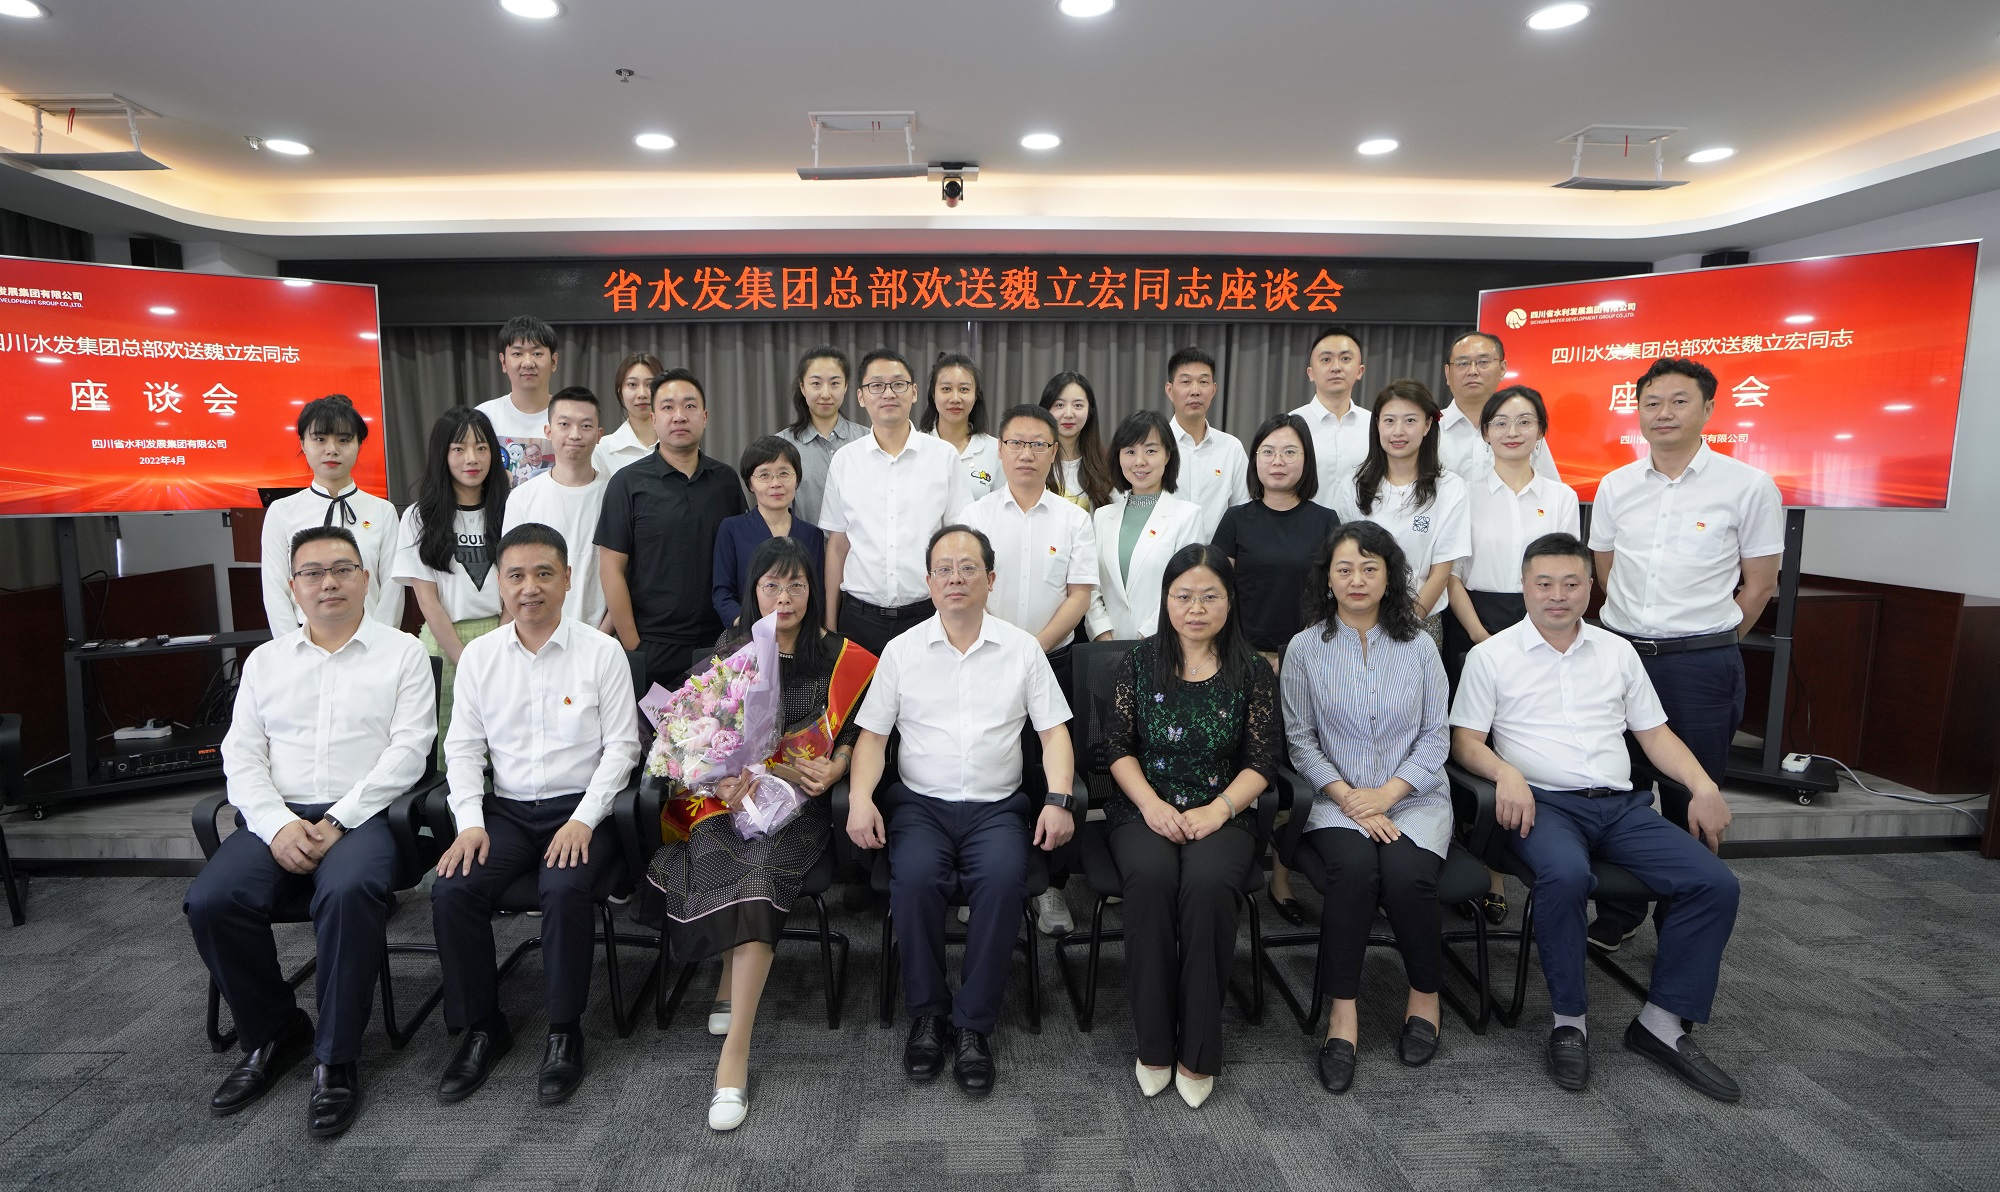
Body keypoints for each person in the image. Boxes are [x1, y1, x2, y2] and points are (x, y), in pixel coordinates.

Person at [1450, 532, 1744, 1102]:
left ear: (1590, 587)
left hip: (1621, 807)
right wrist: (1505, 772)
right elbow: (1464, 741)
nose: (1557, 595)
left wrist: (1702, 785)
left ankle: (1661, 1023)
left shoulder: (1617, 652)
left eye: (1570, 583)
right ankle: (1570, 1022)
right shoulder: (1491, 656)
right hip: (1542, 805)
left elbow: (1654, 734)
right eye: (1544, 583)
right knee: (1565, 876)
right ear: (1523, 586)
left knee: (1714, 883)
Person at [186, 525, 435, 1138]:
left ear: (366, 580)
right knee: (212, 900)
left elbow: (410, 753)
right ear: (293, 586)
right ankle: (275, 1033)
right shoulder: (266, 662)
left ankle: (337, 1057)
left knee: (347, 893)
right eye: (313, 573)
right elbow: (242, 756)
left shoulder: (402, 653)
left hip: (364, 816)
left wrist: (339, 818)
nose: (329, 583)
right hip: (278, 815)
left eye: (343, 569)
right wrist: (277, 825)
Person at [647, 536, 878, 1132]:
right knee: (722, 853)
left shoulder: (840, 655)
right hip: (733, 802)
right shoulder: (733, 651)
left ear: (813, 590)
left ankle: (736, 1052)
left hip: (801, 809)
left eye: (796, 584)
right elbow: (695, 732)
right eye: (772, 585)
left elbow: (865, 728)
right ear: (754, 591)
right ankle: (729, 975)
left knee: (758, 873)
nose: (784, 597)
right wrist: (721, 777)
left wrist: (839, 764)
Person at [845, 525, 1077, 1096]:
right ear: (929, 583)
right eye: (944, 569)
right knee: (914, 879)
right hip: (920, 807)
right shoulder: (901, 652)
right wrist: (860, 800)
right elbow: (872, 738)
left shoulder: (1022, 649)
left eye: (968, 567)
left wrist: (1058, 799)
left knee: (1002, 881)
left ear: (990, 579)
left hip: (997, 809)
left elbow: (1054, 734)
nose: (956, 578)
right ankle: (928, 1015)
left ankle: (973, 1024)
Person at [430, 523, 643, 1108]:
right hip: (506, 813)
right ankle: (481, 1026)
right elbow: (463, 750)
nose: (531, 587)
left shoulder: (600, 653)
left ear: (568, 579)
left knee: (564, 886)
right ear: (500, 584)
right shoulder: (480, 657)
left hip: (583, 810)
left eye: (544, 574)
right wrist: (469, 823)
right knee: (452, 888)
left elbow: (623, 748)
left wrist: (584, 819)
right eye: (517, 576)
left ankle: (563, 1030)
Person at [1584, 358, 1781, 954]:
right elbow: (1605, 571)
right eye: (1652, 403)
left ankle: (1681, 924)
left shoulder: (1748, 486)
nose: (1663, 413)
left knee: (1689, 795)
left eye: (1678, 401)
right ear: (1638, 411)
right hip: (1621, 658)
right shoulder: (1616, 485)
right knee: (1615, 789)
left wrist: (1707, 640)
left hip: (1699, 666)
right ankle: (1619, 910)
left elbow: (1759, 586)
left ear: (1708, 410)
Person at [1105, 544, 1279, 1109]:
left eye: (1210, 596)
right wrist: (1152, 805)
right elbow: (1116, 748)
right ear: (1166, 600)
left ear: (1230, 602)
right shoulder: (1138, 662)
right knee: (1152, 880)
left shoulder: (1252, 670)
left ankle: (1199, 1050)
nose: (1196, 608)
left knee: (1206, 886)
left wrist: (1219, 809)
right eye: (1184, 596)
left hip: (1223, 809)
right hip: (1144, 807)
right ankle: (1154, 1043)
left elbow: (1262, 761)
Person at [1280, 522, 1452, 1094]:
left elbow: (1436, 736)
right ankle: (1343, 1013)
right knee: (1353, 872)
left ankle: (1424, 996)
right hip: (1338, 800)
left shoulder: (1419, 644)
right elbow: (1300, 739)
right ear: (1327, 579)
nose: (1357, 579)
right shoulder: (1306, 648)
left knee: (1406, 877)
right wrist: (1351, 797)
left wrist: (1389, 794)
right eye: (1345, 569)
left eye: (1370, 568)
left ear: (1389, 577)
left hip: (1415, 797)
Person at [1442, 385, 1581, 925]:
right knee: (1473, 743)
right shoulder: (1463, 491)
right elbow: (1452, 574)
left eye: (1524, 421)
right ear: (1485, 434)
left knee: (1520, 737)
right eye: (1500, 422)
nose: (1512, 431)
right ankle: (1479, 868)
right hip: (1475, 622)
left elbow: (1566, 574)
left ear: (1540, 431)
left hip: (1542, 622)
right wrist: (1482, 636)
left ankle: (1512, 857)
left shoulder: (1560, 496)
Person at [959, 403, 1097, 937]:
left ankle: (1051, 887)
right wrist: (1006, 648)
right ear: (1000, 449)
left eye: (1038, 444)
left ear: (1054, 451)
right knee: (984, 767)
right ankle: (979, 881)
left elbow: (1079, 595)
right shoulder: (975, 517)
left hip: (1052, 660)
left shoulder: (1073, 518)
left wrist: (1031, 648)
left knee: (1047, 773)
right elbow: (964, 590)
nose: (1026, 453)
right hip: (983, 659)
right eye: (1016, 442)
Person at [1211, 410, 1338, 926]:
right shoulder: (1236, 519)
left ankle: (1282, 878)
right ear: (1255, 461)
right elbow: (1217, 595)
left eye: (1289, 452)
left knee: (1299, 771)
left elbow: (1333, 596)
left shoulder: (1325, 521)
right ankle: (1231, 863)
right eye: (1268, 452)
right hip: (1242, 662)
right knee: (1242, 764)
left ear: (1306, 460)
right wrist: (1250, 657)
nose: (1278, 461)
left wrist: (1295, 655)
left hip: (1308, 663)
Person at [597, 367, 747, 690]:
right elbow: (611, 568)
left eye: (689, 406)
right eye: (668, 407)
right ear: (653, 419)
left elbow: (739, 559)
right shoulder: (627, 483)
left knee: (720, 725)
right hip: (652, 645)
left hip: (718, 644)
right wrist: (634, 645)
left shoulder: (725, 480)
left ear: (704, 417)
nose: (679, 415)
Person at [820, 348, 971, 656]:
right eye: (876, 385)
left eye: (898, 384)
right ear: (861, 396)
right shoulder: (845, 461)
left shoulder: (943, 457)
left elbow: (961, 541)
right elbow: (837, 546)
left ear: (914, 392)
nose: (888, 393)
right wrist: (830, 624)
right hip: (859, 619)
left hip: (927, 616)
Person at [392, 406, 508, 752]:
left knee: (503, 744)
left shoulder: (511, 508)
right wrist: (464, 658)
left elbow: (518, 589)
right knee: (447, 746)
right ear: (442, 454)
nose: (472, 458)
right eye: (459, 449)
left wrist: (499, 644)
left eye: (481, 447)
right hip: (444, 643)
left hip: (504, 638)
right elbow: (427, 600)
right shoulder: (419, 516)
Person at [1335, 380, 1469, 646]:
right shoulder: (1353, 485)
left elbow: (1442, 570)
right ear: (1377, 425)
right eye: (1389, 421)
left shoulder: (1450, 488)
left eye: (1410, 421)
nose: (1398, 431)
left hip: (1420, 622)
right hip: (1358, 621)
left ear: (1427, 425)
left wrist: (1406, 622)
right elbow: (1341, 560)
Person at [258, 394, 403, 633]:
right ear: (303, 443)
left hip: (371, 638)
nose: (332, 450)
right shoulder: (281, 512)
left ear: (359, 444)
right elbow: (275, 591)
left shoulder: (382, 511)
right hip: (304, 639)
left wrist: (379, 642)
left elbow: (392, 588)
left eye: (344, 440)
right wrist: (293, 646)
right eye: (320, 439)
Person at [1087, 410, 1204, 641]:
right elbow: (1090, 587)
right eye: (1130, 451)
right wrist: (1102, 634)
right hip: (1106, 649)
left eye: (1151, 450)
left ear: (1168, 455)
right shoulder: (1102, 516)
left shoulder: (1187, 516)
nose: (1140, 461)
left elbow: (1185, 589)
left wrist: (1146, 639)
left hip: (1161, 644)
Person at [504, 386, 610, 630]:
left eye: (586, 426)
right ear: (548, 431)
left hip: (602, 636)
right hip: (537, 633)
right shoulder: (522, 498)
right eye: (564, 424)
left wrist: (601, 638)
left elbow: (625, 575)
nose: (575, 434)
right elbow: (512, 574)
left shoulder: (616, 494)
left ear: (599, 434)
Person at [711, 436, 825, 625]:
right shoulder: (732, 529)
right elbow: (722, 592)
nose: (776, 483)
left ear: (797, 479)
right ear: (750, 484)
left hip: (800, 632)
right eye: (764, 475)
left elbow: (817, 593)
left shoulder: (812, 535)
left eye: (784, 473)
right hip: (747, 632)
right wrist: (747, 627)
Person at [1436, 332, 1559, 482]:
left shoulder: (1524, 429)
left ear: (1502, 369)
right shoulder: (1429, 429)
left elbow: (1550, 490)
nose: (1473, 371)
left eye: (1483, 362)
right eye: (1462, 363)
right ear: (1447, 373)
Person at [1160, 346, 1250, 539]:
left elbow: (1244, 510)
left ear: (1214, 389)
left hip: (1218, 555)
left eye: (1203, 382)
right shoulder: (1155, 446)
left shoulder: (1231, 448)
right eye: (1186, 382)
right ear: (1169, 390)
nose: (1195, 390)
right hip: (1165, 553)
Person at [775, 345, 864, 524]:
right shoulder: (781, 445)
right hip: (802, 542)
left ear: (846, 386)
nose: (825, 393)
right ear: (802, 387)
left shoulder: (867, 439)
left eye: (834, 383)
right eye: (816, 383)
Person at [474, 315, 559, 487]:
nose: (528, 363)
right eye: (517, 354)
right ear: (503, 362)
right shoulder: (483, 416)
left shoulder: (570, 417)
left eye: (537, 353)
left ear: (553, 362)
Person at [1293, 326, 1372, 507]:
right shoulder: (1291, 425)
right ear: (1310, 373)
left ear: (1360, 371)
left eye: (1345, 359)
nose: (1336, 367)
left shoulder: (1375, 425)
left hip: (1361, 524)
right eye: (1326, 359)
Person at [919, 351, 1002, 502]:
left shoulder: (996, 451)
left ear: (975, 396)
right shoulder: (915, 446)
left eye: (964, 389)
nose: (955, 398)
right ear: (933, 394)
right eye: (946, 389)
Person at [1040, 370, 1115, 511]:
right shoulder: (1033, 461)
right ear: (1046, 409)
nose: (1069, 414)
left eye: (1078, 405)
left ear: (1090, 411)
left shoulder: (1106, 467)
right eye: (1059, 405)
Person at [592, 351, 664, 476]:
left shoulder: (678, 443)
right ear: (620, 392)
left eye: (650, 384)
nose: (642, 394)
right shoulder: (602, 450)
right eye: (632, 385)